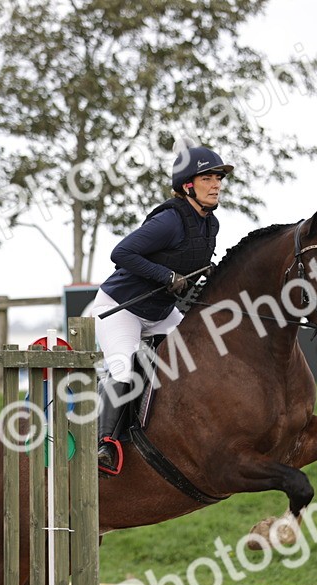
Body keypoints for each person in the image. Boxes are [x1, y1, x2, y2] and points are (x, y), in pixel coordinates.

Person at [91, 145, 233, 475]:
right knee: (123, 368)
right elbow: (121, 252)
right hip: (120, 308)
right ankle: (104, 444)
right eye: (208, 178)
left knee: (203, 353)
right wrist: (165, 276)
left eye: (218, 178)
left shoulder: (210, 225)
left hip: (159, 312)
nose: (216, 184)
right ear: (188, 186)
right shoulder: (170, 220)